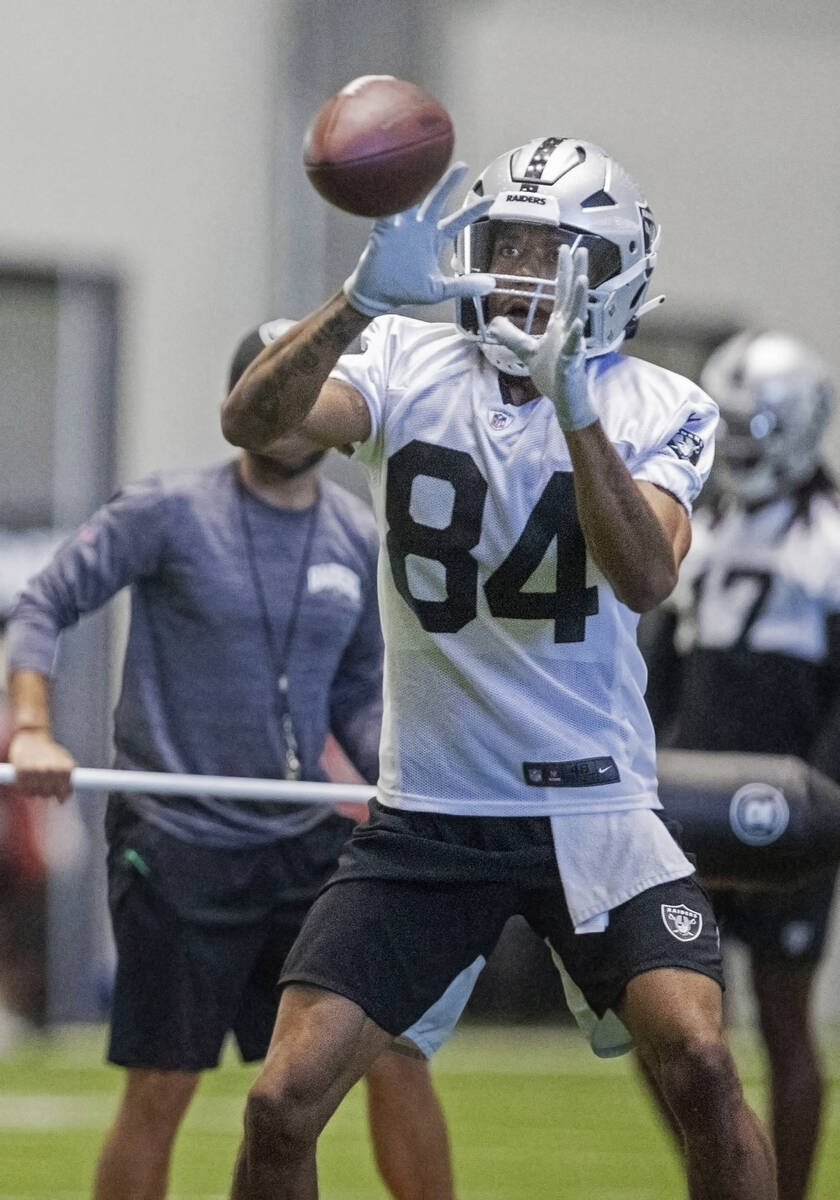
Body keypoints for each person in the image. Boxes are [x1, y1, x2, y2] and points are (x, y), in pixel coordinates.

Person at [220, 139, 776, 1199]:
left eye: (546, 253)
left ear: (610, 273)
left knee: (703, 1065)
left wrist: (577, 415)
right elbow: (253, 421)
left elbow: (647, 575)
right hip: (430, 812)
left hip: (595, 807)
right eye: (504, 246)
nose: (517, 274)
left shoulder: (665, 405)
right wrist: (351, 305)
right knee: (280, 1103)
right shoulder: (403, 362)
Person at [4, 321, 463, 1200]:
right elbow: (44, 603)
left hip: (305, 848)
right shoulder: (167, 512)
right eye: (275, 388)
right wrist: (30, 727)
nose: (294, 410)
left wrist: (411, 772)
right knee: (164, 1090)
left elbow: (360, 695)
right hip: (178, 846)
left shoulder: (357, 534)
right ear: (242, 401)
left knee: (387, 1055)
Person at [640, 330, 840, 1200]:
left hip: (792, 805)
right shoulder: (699, 522)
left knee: (786, 1021)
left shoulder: (831, 538)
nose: (747, 447)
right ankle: (728, 1176)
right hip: (693, 800)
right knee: (668, 1022)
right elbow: (657, 669)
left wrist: (822, 804)